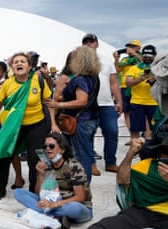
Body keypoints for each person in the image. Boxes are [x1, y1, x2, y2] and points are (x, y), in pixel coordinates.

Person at [43, 135, 168, 229]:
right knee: (110, 223)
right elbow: (122, 179)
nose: (166, 157)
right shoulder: (147, 165)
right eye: (164, 152)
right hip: (143, 212)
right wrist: (130, 155)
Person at [0, 52, 58, 200]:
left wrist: (54, 124)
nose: (19, 63)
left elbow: (48, 102)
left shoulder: (38, 80)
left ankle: (33, 190)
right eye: (16, 62)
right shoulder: (8, 84)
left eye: (22, 61)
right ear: (12, 67)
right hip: (14, 126)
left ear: (29, 66)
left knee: (34, 158)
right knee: (4, 155)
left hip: (36, 124)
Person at [45, 46, 101, 184]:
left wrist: (59, 105)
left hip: (80, 120)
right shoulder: (94, 77)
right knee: (86, 153)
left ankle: (82, 186)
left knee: (81, 156)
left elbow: (82, 101)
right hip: (92, 119)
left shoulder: (79, 79)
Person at [14, 133, 92, 229]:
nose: (47, 149)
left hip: (73, 204)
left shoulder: (73, 166)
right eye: (45, 146)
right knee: (18, 193)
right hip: (51, 201)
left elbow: (80, 197)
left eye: (51, 146)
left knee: (74, 209)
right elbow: (38, 193)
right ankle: (54, 216)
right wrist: (41, 175)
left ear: (62, 149)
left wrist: (55, 204)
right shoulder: (44, 164)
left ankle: (43, 213)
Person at [82, 33, 123, 174]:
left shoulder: (106, 60)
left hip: (106, 104)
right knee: (89, 134)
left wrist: (119, 101)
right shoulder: (78, 61)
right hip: (88, 104)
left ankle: (110, 162)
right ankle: (91, 163)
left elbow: (113, 82)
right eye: (86, 42)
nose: (89, 44)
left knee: (112, 132)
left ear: (97, 44)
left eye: (91, 42)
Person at [0, 61, 25, 189]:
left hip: (7, 120)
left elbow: (6, 102)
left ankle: (18, 177)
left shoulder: (10, 84)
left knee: (11, 151)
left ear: (5, 72)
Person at [126, 45, 158, 141]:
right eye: (145, 56)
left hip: (154, 102)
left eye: (150, 56)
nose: (147, 58)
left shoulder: (159, 68)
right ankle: (134, 147)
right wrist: (140, 79)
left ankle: (151, 150)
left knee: (154, 129)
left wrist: (154, 80)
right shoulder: (134, 68)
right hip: (137, 102)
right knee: (135, 128)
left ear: (155, 56)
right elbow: (128, 82)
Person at [113, 39, 142, 137]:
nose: (130, 49)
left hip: (136, 87)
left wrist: (134, 54)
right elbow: (117, 71)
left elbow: (144, 62)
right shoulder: (124, 60)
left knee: (137, 112)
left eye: (133, 46)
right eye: (129, 47)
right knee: (127, 112)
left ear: (138, 48)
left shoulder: (141, 57)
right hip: (124, 87)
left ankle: (139, 134)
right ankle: (132, 136)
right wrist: (116, 59)